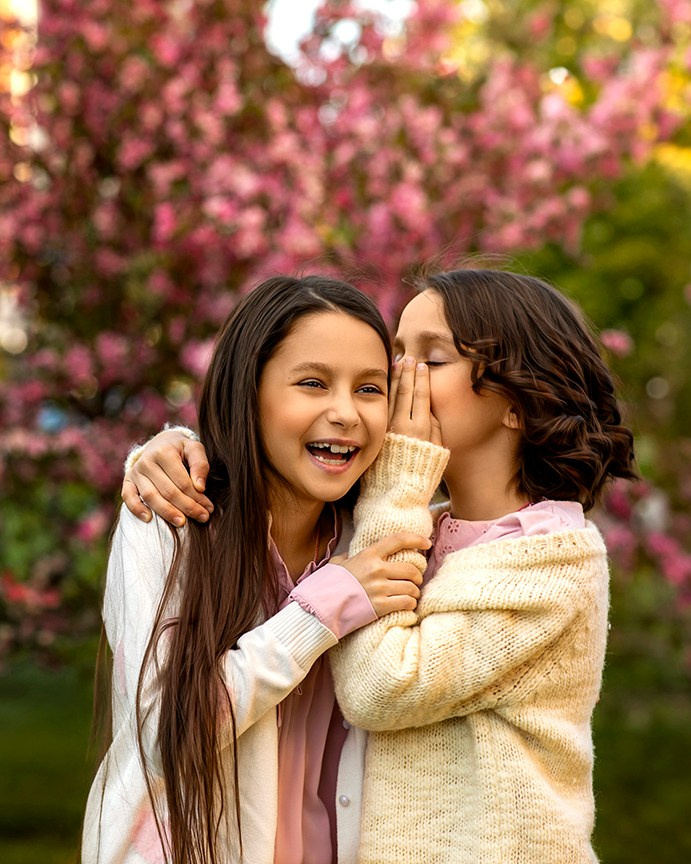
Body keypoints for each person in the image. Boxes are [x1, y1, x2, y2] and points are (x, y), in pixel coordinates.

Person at [122, 268, 636, 863]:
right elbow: (271, 458)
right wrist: (168, 448)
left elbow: (377, 687)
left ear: (519, 403)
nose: (399, 384)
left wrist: (399, 482)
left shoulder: (552, 560)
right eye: (396, 359)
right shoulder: (417, 521)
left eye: (431, 360)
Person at [82, 274, 437, 864]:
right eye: (312, 383)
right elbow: (167, 736)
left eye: (370, 389)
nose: (345, 413)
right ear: (249, 392)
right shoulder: (170, 521)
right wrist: (323, 610)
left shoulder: (371, 538)